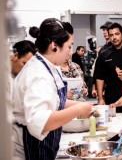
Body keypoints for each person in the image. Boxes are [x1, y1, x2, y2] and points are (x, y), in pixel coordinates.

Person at [12, 18, 93, 160]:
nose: (70, 52)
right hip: (30, 145)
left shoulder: (49, 66)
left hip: (45, 143)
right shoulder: (39, 75)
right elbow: (41, 122)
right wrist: (78, 110)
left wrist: (83, 105)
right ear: (54, 45)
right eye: (69, 46)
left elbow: (55, 99)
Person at [93, 22, 122, 112]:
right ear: (109, 37)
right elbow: (99, 78)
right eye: (111, 35)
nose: (114, 37)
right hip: (112, 97)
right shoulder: (104, 54)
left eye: (117, 34)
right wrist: (101, 99)